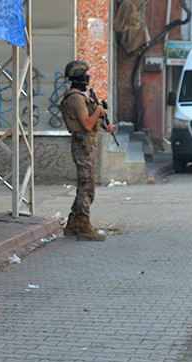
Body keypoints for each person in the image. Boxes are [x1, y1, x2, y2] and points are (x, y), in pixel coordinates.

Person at [59, 60, 114, 241]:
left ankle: (73, 224)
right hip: (83, 146)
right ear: (79, 77)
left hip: (86, 144)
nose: (88, 78)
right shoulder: (75, 99)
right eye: (86, 75)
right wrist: (98, 110)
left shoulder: (80, 97)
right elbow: (87, 125)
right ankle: (84, 227)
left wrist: (104, 123)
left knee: (86, 186)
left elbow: (91, 122)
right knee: (87, 188)